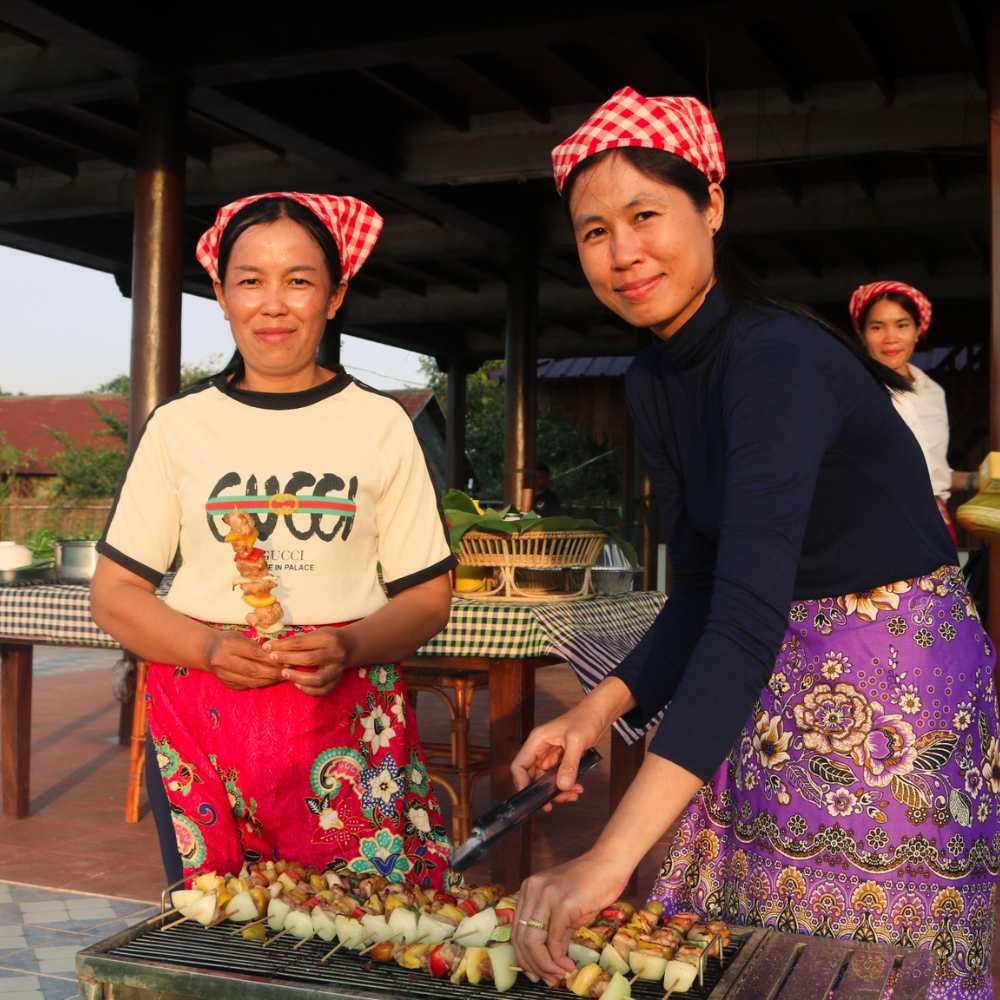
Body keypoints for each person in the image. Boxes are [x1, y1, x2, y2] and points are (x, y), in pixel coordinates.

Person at [508, 88, 1000, 999]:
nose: (623, 253)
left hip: (892, 672)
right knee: (751, 940)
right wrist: (593, 710)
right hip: (771, 652)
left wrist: (611, 857)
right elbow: (701, 585)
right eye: (592, 232)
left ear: (713, 208)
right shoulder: (653, 375)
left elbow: (739, 611)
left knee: (862, 957)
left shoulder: (774, 358)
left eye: (645, 215)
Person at [91, 192, 455, 888]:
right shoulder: (179, 427)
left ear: (336, 294)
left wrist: (348, 645)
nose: (273, 304)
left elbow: (427, 596)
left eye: (299, 280)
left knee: (361, 928)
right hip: (205, 720)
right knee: (221, 930)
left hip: (347, 717)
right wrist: (204, 646)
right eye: (250, 280)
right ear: (223, 296)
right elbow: (115, 594)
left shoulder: (381, 425)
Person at [851, 280, 979, 540]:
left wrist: (977, 480)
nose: (890, 338)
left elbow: (935, 472)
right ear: (863, 334)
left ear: (918, 330)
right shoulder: (852, 391)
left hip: (936, 524)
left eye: (902, 325)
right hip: (877, 525)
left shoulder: (932, 392)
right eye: (877, 327)